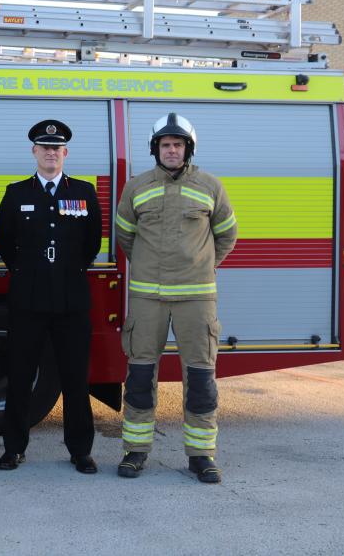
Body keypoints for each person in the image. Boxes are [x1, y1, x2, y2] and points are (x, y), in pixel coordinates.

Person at [114, 113, 237, 483]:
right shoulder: (136, 188)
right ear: (156, 149)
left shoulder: (210, 186)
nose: (172, 150)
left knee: (200, 378)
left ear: (188, 148)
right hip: (147, 297)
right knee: (139, 374)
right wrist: (151, 267)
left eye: (178, 144)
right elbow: (126, 237)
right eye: (166, 144)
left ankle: (201, 455)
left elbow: (227, 235)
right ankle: (135, 451)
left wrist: (200, 265)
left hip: (197, 299)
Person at [0, 120, 102, 474]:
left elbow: (91, 245)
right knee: (21, 375)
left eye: (56, 148)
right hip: (28, 302)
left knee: (74, 379)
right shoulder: (16, 193)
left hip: (71, 301)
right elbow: (7, 245)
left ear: (65, 153)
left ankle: (80, 450)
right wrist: (32, 273)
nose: (51, 153)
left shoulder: (85, 193)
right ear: (34, 152)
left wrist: (64, 272)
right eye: (44, 148)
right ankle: (13, 448)